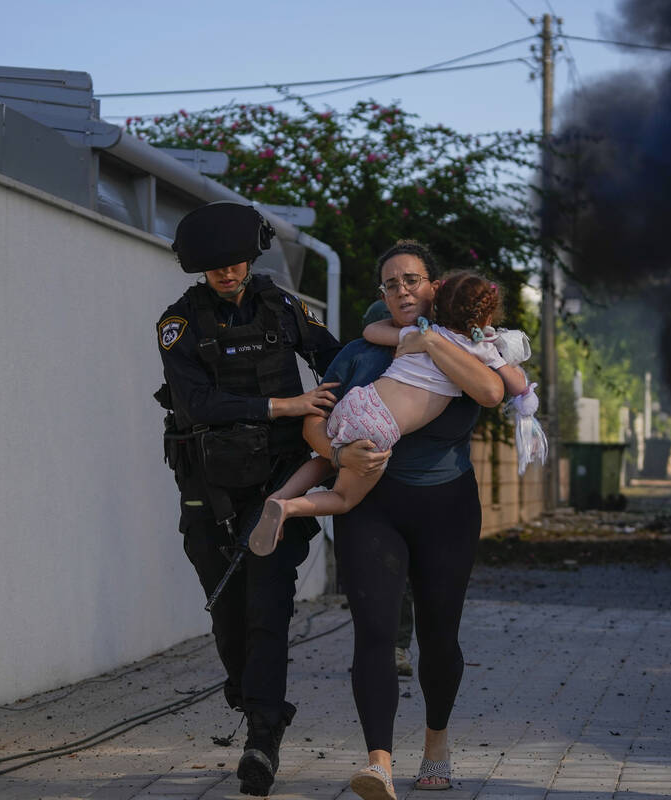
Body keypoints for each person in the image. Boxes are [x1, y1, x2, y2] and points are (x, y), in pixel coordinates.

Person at [306, 240, 508, 800]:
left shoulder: (469, 346)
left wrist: (429, 342)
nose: (401, 291)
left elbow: (494, 390)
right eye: (391, 283)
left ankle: (436, 744)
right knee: (374, 634)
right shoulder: (356, 353)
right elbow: (313, 425)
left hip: (447, 507)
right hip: (373, 506)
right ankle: (379, 763)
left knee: (440, 637)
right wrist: (339, 453)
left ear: (434, 287)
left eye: (412, 280)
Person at [154, 201, 344, 796]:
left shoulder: (283, 305)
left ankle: (262, 738)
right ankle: (250, 694)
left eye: (235, 262)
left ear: (250, 257)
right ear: (198, 268)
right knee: (227, 609)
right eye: (215, 267)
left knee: (268, 607)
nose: (228, 273)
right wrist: (285, 406)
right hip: (209, 489)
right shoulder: (178, 324)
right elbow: (197, 405)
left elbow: (336, 359)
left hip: (278, 485)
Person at [247, 270, 529, 555]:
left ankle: (280, 495)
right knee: (344, 498)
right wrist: (503, 356)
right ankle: (288, 508)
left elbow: (371, 331)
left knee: (329, 459)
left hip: (360, 400)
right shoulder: (479, 350)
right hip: (380, 426)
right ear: (486, 319)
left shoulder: (421, 333)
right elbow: (516, 386)